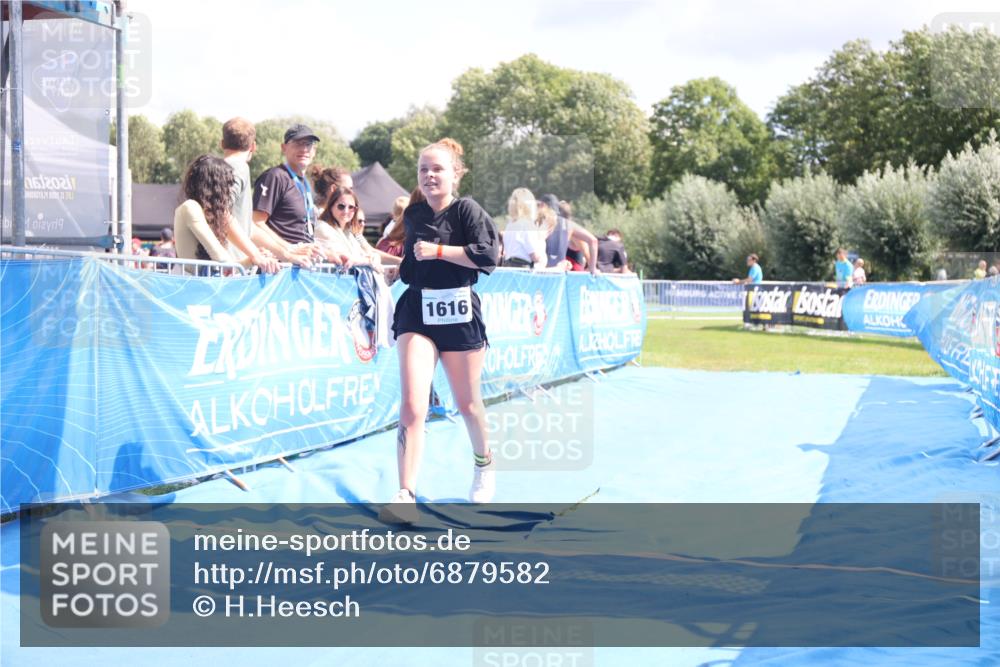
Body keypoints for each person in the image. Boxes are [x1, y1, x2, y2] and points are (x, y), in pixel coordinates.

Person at [380, 137, 499, 523]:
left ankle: (483, 463)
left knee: (468, 404)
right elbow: (413, 264)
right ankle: (405, 493)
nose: (429, 176)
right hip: (417, 311)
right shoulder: (413, 215)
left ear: (455, 174)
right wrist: (393, 271)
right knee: (414, 404)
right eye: (423, 169)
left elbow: (488, 256)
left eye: (437, 169)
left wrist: (441, 252)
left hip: (460, 312)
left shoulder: (466, 210)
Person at [174, 155, 279, 276]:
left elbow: (225, 267)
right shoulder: (190, 207)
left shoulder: (203, 211)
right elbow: (222, 260)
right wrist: (256, 257)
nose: (228, 191)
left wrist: (252, 260)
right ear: (215, 186)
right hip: (193, 289)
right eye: (226, 185)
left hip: (201, 287)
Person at [252, 124, 331, 266]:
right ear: (284, 148)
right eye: (297, 143)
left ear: (314, 150)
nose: (304, 149)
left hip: (301, 266)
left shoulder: (306, 183)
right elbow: (256, 223)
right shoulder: (275, 176)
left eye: (308, 144)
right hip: (279, 267)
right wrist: (289, 249)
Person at [501, 188, 545, 269]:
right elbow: (534, 255)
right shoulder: (527, 225)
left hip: (507, 267)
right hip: (522, 269)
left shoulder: (510, 225)